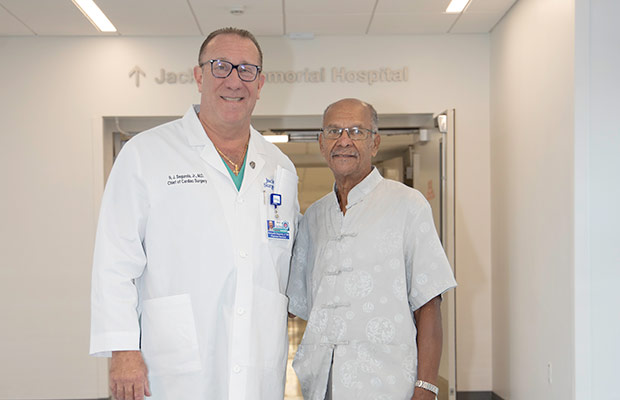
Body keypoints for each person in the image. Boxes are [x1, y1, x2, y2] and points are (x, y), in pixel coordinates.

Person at [90, 27, 299, 400]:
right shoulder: (146, 153)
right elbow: (115, 261)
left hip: (258, 362)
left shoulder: (279, 167)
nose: (234, 80)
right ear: (199, 75)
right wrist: (123, 349)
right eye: (220, 67)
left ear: (261, 82)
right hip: (171, 365)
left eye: (246, 70)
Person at [287, 98, 456, 400]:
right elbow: (294, 303)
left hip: (387, 383)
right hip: (321, 383)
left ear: (375, 143)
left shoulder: (407, 205)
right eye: (334, 131)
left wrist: (426, 388)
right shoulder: (313, 217)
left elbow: (429, 303)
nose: (344, 141)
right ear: (321, 143)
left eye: (356, 131)